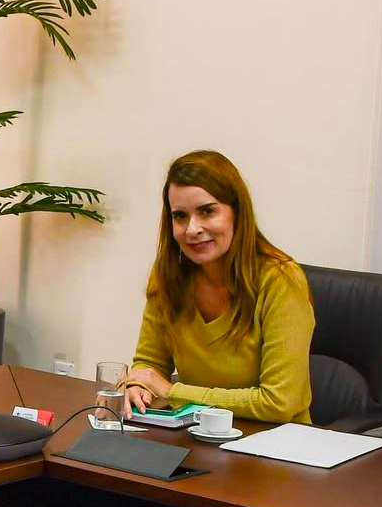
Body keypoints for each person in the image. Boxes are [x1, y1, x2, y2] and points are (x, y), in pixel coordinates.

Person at [123, 150, 314, 424]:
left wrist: (172, 391)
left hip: (274, 442)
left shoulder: (281, 279)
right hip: (195, 435)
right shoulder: (168, 275)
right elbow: (149, 364)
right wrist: (138, 386)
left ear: (237, 213)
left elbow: (278, 403)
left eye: (207, 211)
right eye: (180, 216)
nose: (192, 229)